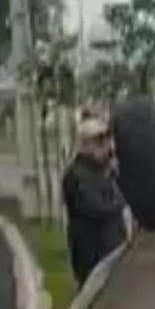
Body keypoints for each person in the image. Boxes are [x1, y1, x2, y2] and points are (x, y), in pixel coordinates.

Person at [61, 115, 127, 290]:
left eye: (107, 139)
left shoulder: (103, 171)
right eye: (99, 141)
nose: (106, 146)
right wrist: (119, 201)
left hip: (111, 248)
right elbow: (96, 208)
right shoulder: (76, 175)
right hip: (93, 255)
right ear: (84, 145)